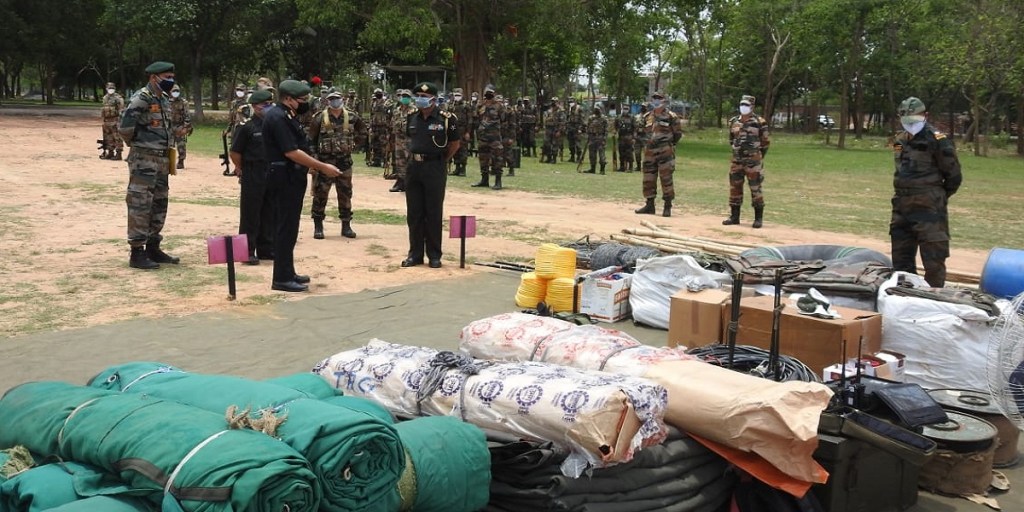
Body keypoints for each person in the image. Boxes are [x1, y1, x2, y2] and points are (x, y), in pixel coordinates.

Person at [262, 79, 342, 292]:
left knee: (290, 227)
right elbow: (291, 152)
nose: (306, 103)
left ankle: (288, 271)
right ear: (288, 99)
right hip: (283, 177)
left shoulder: (288, 115)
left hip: (291, 176)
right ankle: (280, 278)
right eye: (302, 100)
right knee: (284, 228)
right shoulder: (278, 117)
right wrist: (321, 166)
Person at [118, 61, 186, 270]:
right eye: (166, 77)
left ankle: (153, 246)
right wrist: (140, 146)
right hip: (144, 159)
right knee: (140, 203)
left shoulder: (163, 99)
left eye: (172, 77)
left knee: (159, 203)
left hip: (163, 159)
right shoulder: (141, 99)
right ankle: (137, 251)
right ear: (153, 77)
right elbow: (125, 128)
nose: (170, 81)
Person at [890, 96, 962, 288]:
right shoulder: (899, 140)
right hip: (901, 207)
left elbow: (954, 176)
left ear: (925, 116)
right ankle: (904, 298)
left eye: (914, 119)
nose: (910, 124)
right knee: (901, 260)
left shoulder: (938, 140)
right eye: (906, 120)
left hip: (929, 208)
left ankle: (934, 300)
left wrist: (935, 196)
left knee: (933, 260)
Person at [401, 82, 460, 269]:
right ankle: (415, 254)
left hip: (434, 167)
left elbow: (455, 144)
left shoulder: (446, 119)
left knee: (433, 213)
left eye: (424, 97)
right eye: (418, 96)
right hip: (414, 167)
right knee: (414, 213)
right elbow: (409, 139)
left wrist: (441, 160)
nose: (420, 100)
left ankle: (434, 255)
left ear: (434, 99)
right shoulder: (411, 117)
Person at [308, 89, 368, 239]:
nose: (335, 101)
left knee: (345, 194)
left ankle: (346, 226)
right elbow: (311, 140)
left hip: (344, 162)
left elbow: (363, 131)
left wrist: (356, 145)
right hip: (324, 162)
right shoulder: (320, 117)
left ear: (343, 99)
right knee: (320, 194)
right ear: (327, 101)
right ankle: (318, 226)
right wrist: (314, 159)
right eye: (332, 99)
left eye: (337, 98)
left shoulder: (352, 117)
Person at [229, 89, 276, 265]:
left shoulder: (273, 125)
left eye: (271, 104)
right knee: (250, 213)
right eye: (265, 104)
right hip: (253, 171)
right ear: (256, 107)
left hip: (270, 171)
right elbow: (235, 152)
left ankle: (266, 249)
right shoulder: (247, 127)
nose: (268, 107)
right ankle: (246, 251)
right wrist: (240, 168)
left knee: (269, 211)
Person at [723, 95, 771, 228]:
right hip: (737, 161)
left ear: (752, 106)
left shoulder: (759, 122)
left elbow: (765, 142)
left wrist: (757, 156)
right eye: (742, 104)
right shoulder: (734, 121)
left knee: (755, 188)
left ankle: (758, 218)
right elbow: (731, 139)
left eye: (746, 105)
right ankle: (734, 217)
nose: (743, 107)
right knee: (735, 188)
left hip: (753, 162)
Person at [634, 91, 682, 217]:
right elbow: (640, 132)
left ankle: (667, 206)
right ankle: (650, 205)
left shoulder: (671, 116)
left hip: (665, 151)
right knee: (648, 179)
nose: (656, 100)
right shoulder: (647, 116)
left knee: (666, 179)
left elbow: (677, 134)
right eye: (654, 98)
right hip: (649, 152)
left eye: (659, 98)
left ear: (664, 100)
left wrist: (668, 144)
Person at [471, 85, 506, 190]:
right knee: (483, 159)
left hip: (494, 137)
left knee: (497, 159)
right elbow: (475, 117)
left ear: (494, 94)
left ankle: (498, 181)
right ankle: (484, 180)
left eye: (490, 93)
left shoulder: (499, 106)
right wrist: (479, 105)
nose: (488, 95)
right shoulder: (481, 105)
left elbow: (504, 120)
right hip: (482, 137)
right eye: (487, 93)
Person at [389, 89, 416, 191]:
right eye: (403, 96)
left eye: (407, 97)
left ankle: (410, 183)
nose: (404, 98)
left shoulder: (414, 111)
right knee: (399, 161)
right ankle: (400, 181)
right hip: (398, 139)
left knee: (410, 161)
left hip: (410, 139)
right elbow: (392, 124)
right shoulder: (397, 110)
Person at [446, 87, 472, 176]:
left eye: (459, 95)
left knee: (463, 149)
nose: (457, 97)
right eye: (455, 95)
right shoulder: (450, 105)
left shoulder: (466, 106)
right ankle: (457, 167)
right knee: (455, 149)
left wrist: (468, 132)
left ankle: (463, 168)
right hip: (453, 129)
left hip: (463, 130)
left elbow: (470, 120)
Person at [168, 84, 193, 170]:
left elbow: (187, 116)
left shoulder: (183, 102)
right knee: (169, 145)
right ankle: (169, 162)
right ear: (170, 92)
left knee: (181, 145)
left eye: (177, 91)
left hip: (180, 126)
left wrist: (185, 127)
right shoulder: (166, 102)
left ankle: (181, 161)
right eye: (173, 91)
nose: (175, 93)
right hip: (169, 126)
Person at [100, 82, 125, 160]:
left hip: (115, 120)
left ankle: (119, 153)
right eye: (109, 88)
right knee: (108, 137)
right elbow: (104, 109)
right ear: (106, 89)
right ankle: (110, 152)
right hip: (107, 121)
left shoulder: (118, 98)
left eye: (112, 88)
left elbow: (122, 110)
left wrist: (120, 121)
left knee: (117, 137)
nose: (110, 89)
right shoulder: (105, 98)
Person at [584, 106, 608, 174]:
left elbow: (606, 130)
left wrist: (604, 138)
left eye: (598, 109)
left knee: (602, 155)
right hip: (592, 137)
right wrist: (588, 136)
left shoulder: (604, 119)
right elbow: (588, 127)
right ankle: (592, 168)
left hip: (600, 138)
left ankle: (602, 170)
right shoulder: (591, 118)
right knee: (592, 154)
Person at [614, 108, 635, 172]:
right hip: (621, 137)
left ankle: (630, 167)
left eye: (627, 109)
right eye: (624, 109)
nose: (625, 110)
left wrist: (634, 137)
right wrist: (615, 132)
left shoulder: (632, 117)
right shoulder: (618, 117)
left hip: (629, 136)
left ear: (628, 110)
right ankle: (622, 167)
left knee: (629, 152)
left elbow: (634, 127)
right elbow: (616, 126)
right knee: (621, 152)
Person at [566, 98, 584, 162]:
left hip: (577, 127)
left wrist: (580, 128)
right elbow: (568, 118)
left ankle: (579, 157)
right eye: (569, 102)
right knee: (571, 143)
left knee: (577, 143)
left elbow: (582, 119)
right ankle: (572, 156)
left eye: (571, 102)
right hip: (570, 127)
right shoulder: (569, 109)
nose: (570, 103)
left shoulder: (579, 108)